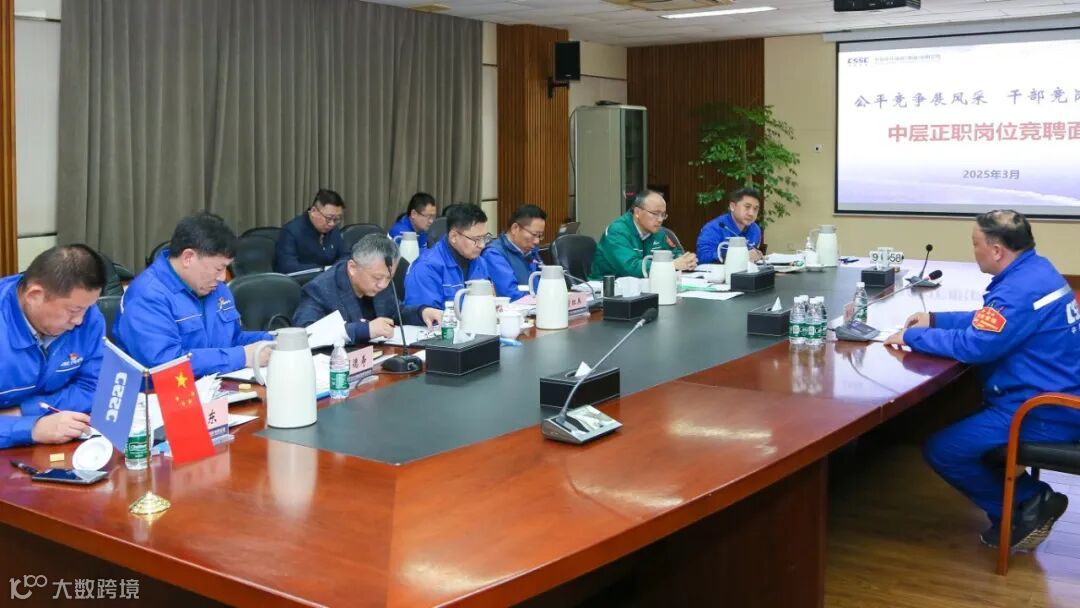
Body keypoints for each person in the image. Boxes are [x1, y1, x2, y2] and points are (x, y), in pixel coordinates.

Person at [884, 210, 1080, 551]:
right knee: (962, 424)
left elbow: (977, 346)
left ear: (997, 250)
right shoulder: (1036, 270)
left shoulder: (1018, 290)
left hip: (1041, 410)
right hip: (1052, 391)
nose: (973, 251)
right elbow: (992, 321)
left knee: (943, 450)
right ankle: (1018, 512)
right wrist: (936, 320)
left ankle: (1030, 502)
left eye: (975, 244)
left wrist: (912, 337)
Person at [115, 213, 273, 377]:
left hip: (215, 385)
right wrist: (241, 357)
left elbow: (233, 340)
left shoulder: (215, 288)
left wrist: (272, 340)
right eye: (218, 269)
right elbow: (164, 363)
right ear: (188, 258)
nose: (222, 277)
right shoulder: (147, 295)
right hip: (159, 390)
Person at [0, 246, 106, 448]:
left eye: (87, 308)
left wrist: (24, 412)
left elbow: (94, 388)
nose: (79, 320)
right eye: (73, 310)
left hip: (56, 445)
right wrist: (31, 428)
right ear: (35, 295)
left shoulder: (89, 318)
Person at [293, 234, 442, 342]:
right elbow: (305, 334)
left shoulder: (381, 280)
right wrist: (364, 330)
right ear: (352, 267)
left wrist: (422, 312)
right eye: (377, 278)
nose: (383, 285)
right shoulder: (320, 290)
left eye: (389, 278)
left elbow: (395, 313)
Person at [404, 203, 514, 310]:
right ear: (454, 236)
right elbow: (427, 317)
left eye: (485, 238)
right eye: (476, 239)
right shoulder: (426, 267)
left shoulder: (480, 262)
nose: (482, 245)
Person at [589, 190, 697, 280]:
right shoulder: (617, 231)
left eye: (663, 214)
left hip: (644, 287)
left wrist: (686, 261)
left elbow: (674, 253)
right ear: (637, 212)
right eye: (655, 213)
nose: (660, 219)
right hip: (608, 290)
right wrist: (671, 265)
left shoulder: (658, 232)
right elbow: (630, 268)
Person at [274, 188, 349, 274]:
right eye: (328, 218)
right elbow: (287, 267)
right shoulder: (291, 231)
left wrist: (335, 268)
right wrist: (323, 269)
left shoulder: (333, 229)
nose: (332, 224)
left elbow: (345, 255)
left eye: (337, 219)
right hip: (303, 280)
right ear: (313, 211)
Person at [483, 204, 546, 294]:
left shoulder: (532, 251)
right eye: (534, 234)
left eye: (540, 236)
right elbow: (508, 293)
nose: (537, 241)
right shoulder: (493, 253)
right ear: (515, 228)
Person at [695, 188, 764, 264]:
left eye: (755, 209)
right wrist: (736, 256)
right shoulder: (714, 228)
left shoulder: (755, 229)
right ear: (732, 207)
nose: (751, 213)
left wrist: (756, 255)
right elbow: (703, 257)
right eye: (747, 207)